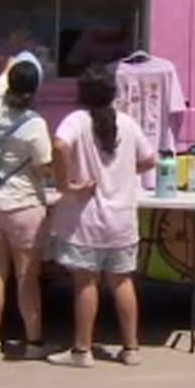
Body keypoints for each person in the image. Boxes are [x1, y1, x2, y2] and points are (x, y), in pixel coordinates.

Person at [47, 65, 158, 368]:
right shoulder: (127, 123)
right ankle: (131, 348)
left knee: (86, 283)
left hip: (87, 221)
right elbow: (150, 159)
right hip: (122, 220)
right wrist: (124, 172)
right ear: (113, 92)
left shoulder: (77, 121)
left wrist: (64, 183)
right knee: (122, 282)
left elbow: (58, 146)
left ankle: (82, 350)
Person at [0, 52, 53, 360]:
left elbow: (3, 81)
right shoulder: (35, 124)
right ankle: (32, 342)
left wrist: (12, 61)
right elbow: (44, 166)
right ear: (35, 90)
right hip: (23, 206)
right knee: (26, 276)